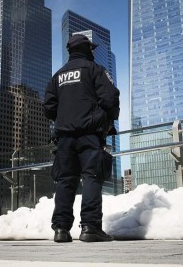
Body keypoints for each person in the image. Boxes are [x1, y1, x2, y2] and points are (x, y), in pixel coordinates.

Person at [44, 33, 120, 243]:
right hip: (89, 133)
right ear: (87, 49)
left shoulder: (57, 75)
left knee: (65, 181)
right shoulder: (94, 70)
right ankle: (90, 227)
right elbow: (111, 97)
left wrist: (64, 117)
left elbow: (48, 107)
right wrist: (105, 118)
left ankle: (61, 229)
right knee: (91, 178)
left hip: (64, 138)